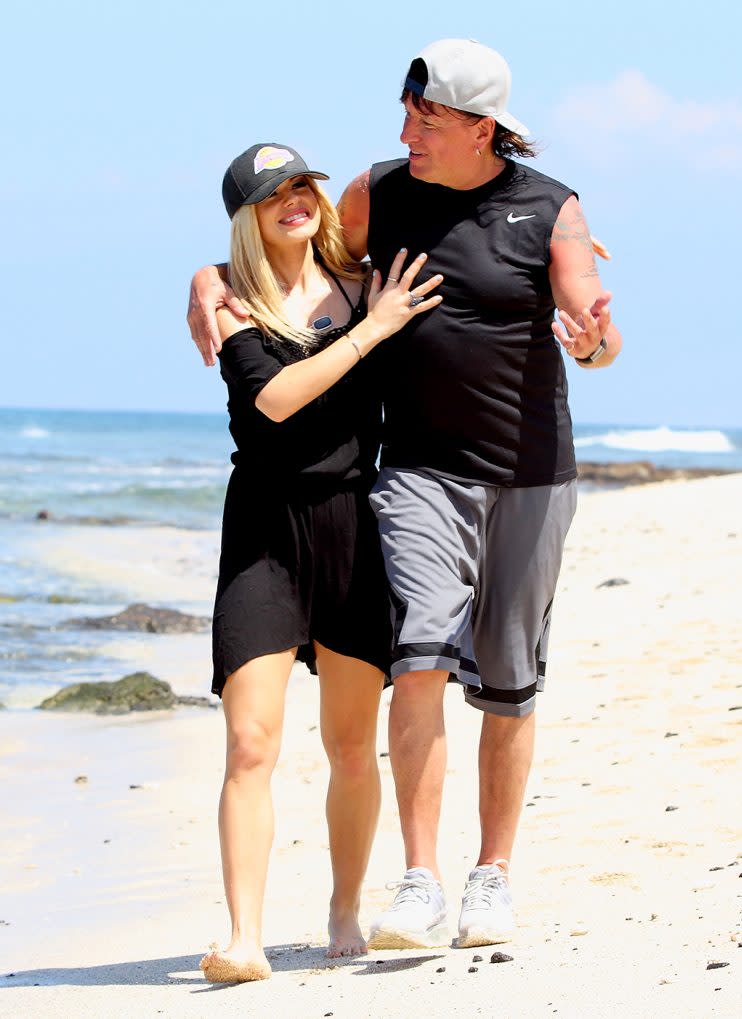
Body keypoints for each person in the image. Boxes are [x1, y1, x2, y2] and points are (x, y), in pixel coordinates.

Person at [188, 39, 622, 953]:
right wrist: (209, 280)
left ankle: (462, 882)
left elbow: (587, 313)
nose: (404, 132)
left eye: (424, 118)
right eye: (406, 114)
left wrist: (590, 337)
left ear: (480, 126)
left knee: (487, 688)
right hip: (376, 487)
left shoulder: (540, 212)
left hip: (488, 482)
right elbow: (284, 305)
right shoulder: (361, 204)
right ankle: (390, 887)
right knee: (391, 666)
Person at [199, 142, 442, 984]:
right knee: (250, 743)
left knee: (349, 745)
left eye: (302, 185)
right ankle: (243, 936)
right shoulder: (229, 298)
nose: (294, 201)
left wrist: (563, 246)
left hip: (351, 525)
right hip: (264, 534)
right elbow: (271, 403)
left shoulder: (358, 278)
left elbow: (433, 220)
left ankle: (343, 906)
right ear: (248, 217)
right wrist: (371, 332)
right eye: (274, 195)